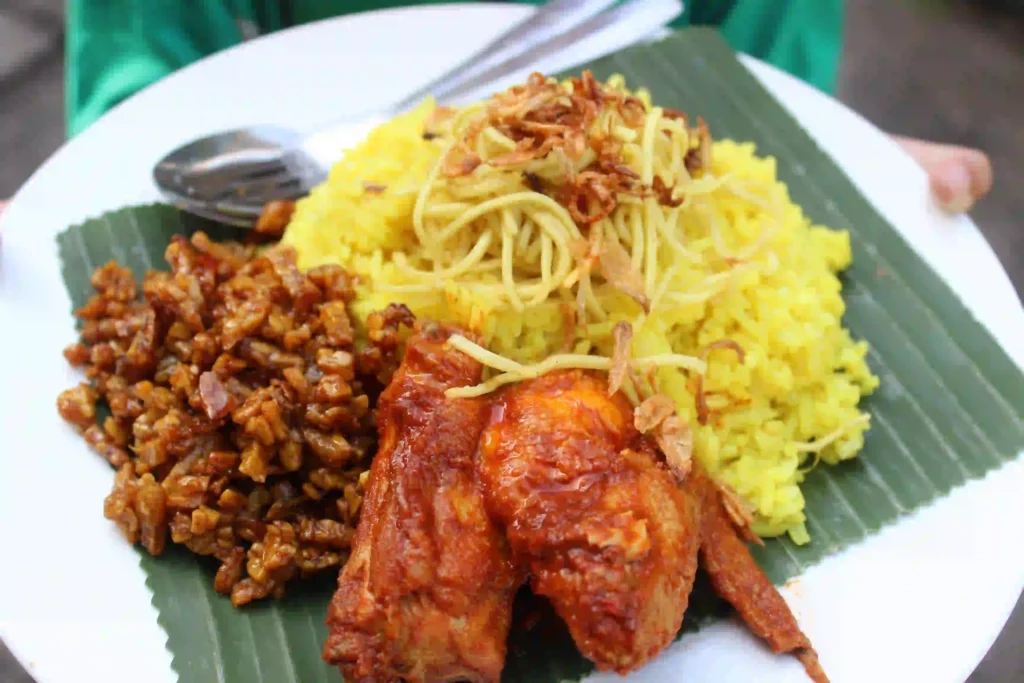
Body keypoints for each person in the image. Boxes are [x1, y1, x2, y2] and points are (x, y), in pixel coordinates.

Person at [1, 0, 995, 216]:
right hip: (333, 182)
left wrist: (814, 148)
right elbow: (140, 62)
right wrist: (91, 185)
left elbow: (760, 59)